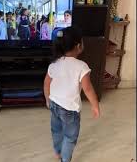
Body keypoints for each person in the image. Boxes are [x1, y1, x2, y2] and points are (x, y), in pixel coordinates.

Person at [43, 26, 100, 162]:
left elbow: (46, 83)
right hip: (70, 109)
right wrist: (95, 105)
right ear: (78, 45)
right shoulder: (82, 66)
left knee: (56, 131)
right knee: (69, 137)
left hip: (54, 105)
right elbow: (88, 89)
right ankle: (65, 159)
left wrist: (47, 99)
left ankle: (58, 153)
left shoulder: (54, 64)